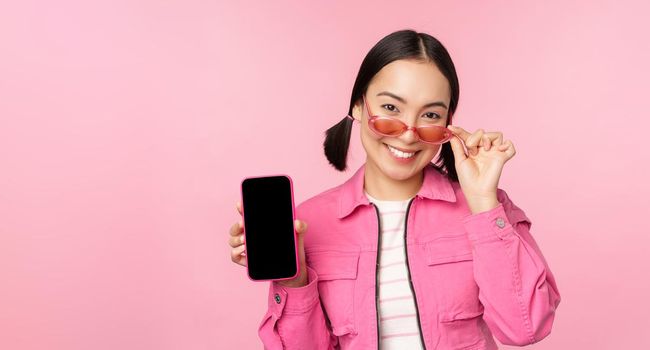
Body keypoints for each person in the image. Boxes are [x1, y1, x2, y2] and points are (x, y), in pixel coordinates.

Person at [227, 29, 560, 350]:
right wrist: (293, 278)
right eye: (390, 109)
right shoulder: (308, 223)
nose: (407, 134)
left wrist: (484, 204)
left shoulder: (486, 210)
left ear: (448, 125)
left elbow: (526, 328)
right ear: (358, 105)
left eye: (430, 114)